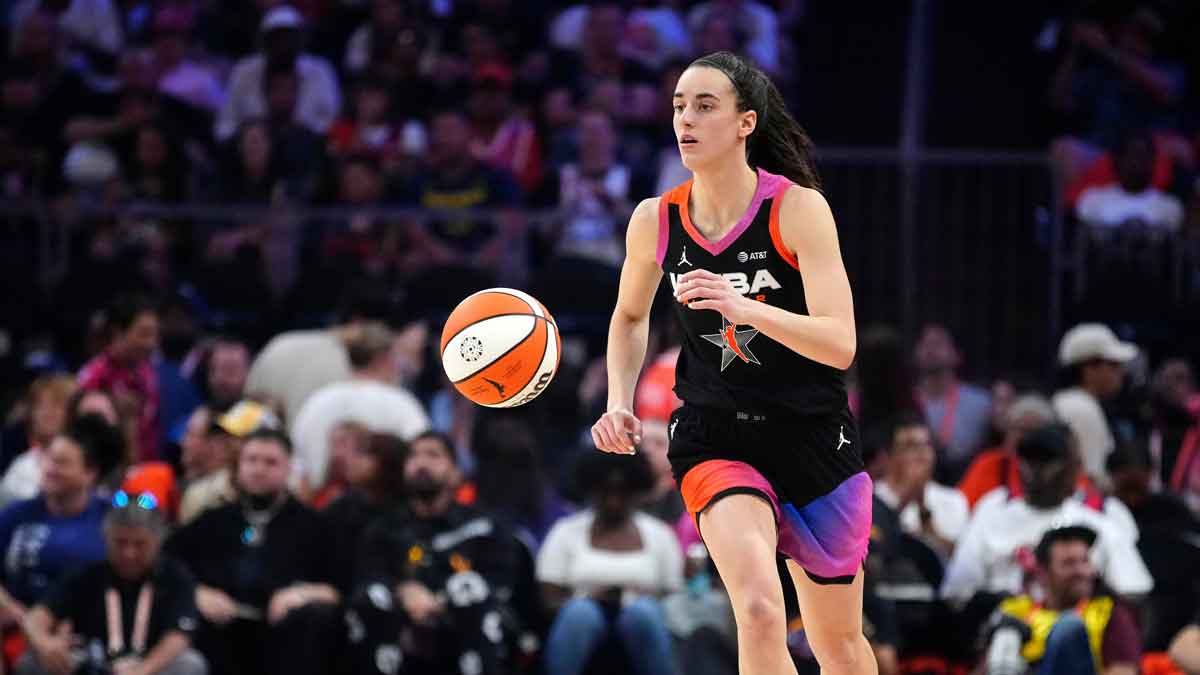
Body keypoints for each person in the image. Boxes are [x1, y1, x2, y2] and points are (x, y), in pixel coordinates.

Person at [591, 51, 874, 675]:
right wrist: (618, 398)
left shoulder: (798, 209)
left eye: (704, 106)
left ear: (746, 122)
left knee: (840, 648)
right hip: (715, 435)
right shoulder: (655, 220)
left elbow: (841, 343)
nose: (685, 120)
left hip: (813, 436)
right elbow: (630, 317)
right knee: (759, 610)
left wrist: (747, 308)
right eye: (677, 107)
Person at [350, 427, 541, 675]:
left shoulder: (483, 526)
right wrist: (404, 592)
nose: (421, 463)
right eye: (414, 456)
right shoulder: (384, 528)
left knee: (470, 590)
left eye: (433, 455)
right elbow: (368, 576)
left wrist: (439, 601)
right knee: (372, 597)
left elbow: (500, 585)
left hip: (465, 621)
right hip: (401, 622)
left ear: (456, 473)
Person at [166, 429, 341, 675]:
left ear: (288, 468)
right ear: (239, 465)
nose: (259, 469)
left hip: (283, 636)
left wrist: (303, 594)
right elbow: (167, 564)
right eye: (251, 460)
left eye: (270, 462)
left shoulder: (313, 525)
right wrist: (198, 592)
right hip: (219, 632)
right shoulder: (213, 519)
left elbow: (339, 587)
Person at [18, 491, 207, 675]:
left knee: (190, 664)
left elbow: (179, 637)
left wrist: (143, 670)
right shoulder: (85, 573)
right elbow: (37, 616)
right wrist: (44, 643)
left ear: (157, 543)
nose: (129, 553)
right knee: (31, 662)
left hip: (149, 663)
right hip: (93, 662)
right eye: (120, 543)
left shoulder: (175, 577)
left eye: (140, 544)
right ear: (105, 539)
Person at [538, 451, 682, 675]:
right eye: (606, 491)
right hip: (583, 623)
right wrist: (592, 600)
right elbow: (549, 601)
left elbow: (674, 597)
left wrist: (635, 600)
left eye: (621, 491)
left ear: (635, 491)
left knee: (643, 614)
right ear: (592, 489)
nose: (613, 500)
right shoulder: (565, 532)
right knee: (580, 614)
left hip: (643, 625)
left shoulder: (660, 535)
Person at [0, 416, 124, 632]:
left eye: (62, 463)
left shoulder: (111, 512)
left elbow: (147, 503)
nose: (50, 468)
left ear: (89, 473)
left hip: (87, 628)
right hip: (17, 624)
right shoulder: (17, 514)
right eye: (49, 459)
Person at [982, 526, 1142, 675]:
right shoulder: (1016, 612)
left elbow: (1124, 671)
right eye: (1069, 563)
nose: (1080, 571)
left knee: (1068, 627)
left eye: (1085, 561)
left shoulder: (1108, 613)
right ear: (1043, 573)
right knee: (1006, 634)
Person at [77, 294, 162, 462]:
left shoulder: (148, 374)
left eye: (155, 334)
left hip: (144, 473)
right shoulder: (93, 377)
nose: (151, 343)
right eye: (144, 334)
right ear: (118, 333)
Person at [872, 413, 969, 557]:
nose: (921, 452)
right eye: (910, 446)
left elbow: (955, 559)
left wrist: (923, 511)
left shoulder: (953, 499)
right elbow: (870, 550)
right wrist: (904, 498)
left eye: (927, 444)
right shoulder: (869, 497)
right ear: (890, 456)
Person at [1052, 324, 1137, 485]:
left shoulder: (1071, 402)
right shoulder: (1082, 409)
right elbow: (1090, 479)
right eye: (1113, 364)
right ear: (1089, 368)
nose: (1120, 372)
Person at [912, 323, 993, 482]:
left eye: (938, 343)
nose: (931, 349)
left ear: (957, 355)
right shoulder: (906, 400)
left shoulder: (981, 404)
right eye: (925, 343)